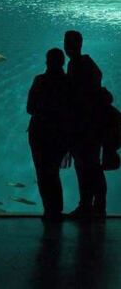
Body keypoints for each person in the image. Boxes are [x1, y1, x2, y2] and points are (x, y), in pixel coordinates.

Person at [64, 30, 107, 219]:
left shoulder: (78, 65)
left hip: (85, 126)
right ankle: (94, 206)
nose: (67, 46)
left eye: (68, 42)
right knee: (90, 166)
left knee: (87, 167)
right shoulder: (83, 64)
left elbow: (77, 99)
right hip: (90, 125)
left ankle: (91, 206)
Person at [27, 48, 69, 221]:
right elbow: (72, 112)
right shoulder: (69, 83)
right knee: (53, 172)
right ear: (63, 62)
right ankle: (56, 211)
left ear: (47, 61)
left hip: (39, 132)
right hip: (60, 134)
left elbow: (30, 108)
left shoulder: (40, 80)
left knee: (43, 173)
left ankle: (49, 210)